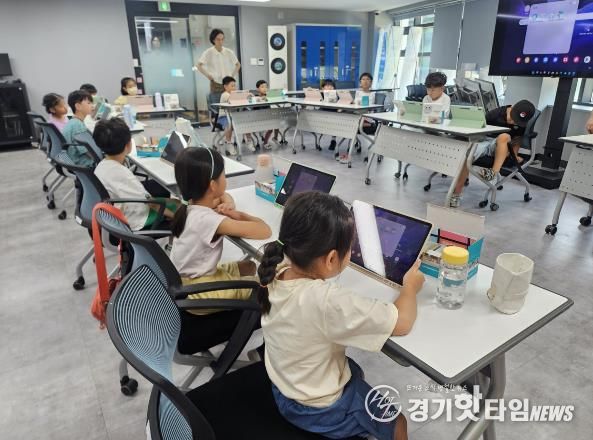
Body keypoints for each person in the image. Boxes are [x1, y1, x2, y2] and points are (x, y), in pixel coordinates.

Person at [257, 191, 422, 440]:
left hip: (284, 388)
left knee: (354, 370)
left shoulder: (275, 269)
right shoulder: (326, 301)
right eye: (350, 248)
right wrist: (410, 287)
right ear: (332, 258)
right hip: (317, 409)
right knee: (397, 422)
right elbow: (403, 322)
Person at [169, 147, 271, 307]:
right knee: (268, 285)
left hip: (186, 281)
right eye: (223, 175)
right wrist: (237, 214)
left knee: (250, 266)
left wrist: (228, 204)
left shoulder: (191, 205)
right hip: (198, 293)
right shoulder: (208, 220)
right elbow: (264, 231)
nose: (225, 178)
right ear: (212, 185)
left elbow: (223, 196)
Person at [93, 118, 179, 231]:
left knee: (168, 198)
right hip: (136, 219)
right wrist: (176, 218)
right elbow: (152, 204)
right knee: (179, 205)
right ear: (128, 145)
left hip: (114, 214)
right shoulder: (123, 174)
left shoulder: (101, 166)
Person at [449, 99, 536, 208]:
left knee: (505, 136)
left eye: (517, 122)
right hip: (483, 140)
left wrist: (514, 155)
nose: (514, 122)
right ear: (511, 108)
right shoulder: (495, 114)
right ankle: (456, 194)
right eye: (513, 118)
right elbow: (477, 130)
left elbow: (517, 140)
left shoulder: (522, 124)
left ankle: (493, 173)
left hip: (501, 146)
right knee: (467, 156)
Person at [195, 29, 241, 93]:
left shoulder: (229, 52)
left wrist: (232, 75)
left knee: (229, 99)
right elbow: (198, 65)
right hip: (216, 83)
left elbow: (238, 64)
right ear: (213, 40)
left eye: (222, 39)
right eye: (218, 39)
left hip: (228, 83)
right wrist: (208, 76)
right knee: (216, 99)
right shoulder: (208, 52)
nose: (220, 41)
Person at [219, 76, 255, 155]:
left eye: (235, 86)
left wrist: (248, 95)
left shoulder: (234, 94)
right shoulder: (225, 94)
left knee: (246, 121)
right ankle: (229, 143)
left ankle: (249, 140)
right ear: (225, 86)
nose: (234, 88)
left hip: (234, 116)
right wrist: (243, 95)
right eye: (232, 86)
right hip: (224, 117)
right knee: (229, 124)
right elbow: (232, 100)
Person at [63, 90, 95, 167]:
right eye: (89, 103)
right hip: (82, 164)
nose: (92, 106)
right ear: (78, 106)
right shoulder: (77, 125)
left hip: (73, 161)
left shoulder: (74, 122)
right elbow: (87, 152)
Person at [256, 79, 280, 150]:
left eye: (266, 87)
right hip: (259, 116)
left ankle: (275, 138)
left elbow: (279, 95)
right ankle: (265, 143)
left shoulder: (268, 96)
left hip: (268, 115)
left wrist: (273, 95)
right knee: (270, 128)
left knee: (277, 122)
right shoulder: (255, 97)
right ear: (258, 89)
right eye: (262, 87)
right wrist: (260, 99)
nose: (265, 88)